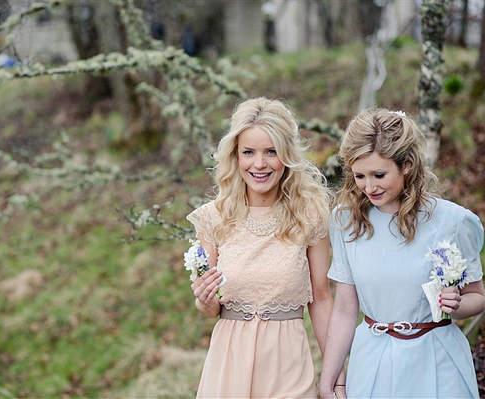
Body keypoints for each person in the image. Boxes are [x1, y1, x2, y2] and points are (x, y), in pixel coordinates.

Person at [319, 108, 485, 398]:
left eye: (379, 174)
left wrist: (456, 305)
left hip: (436, 360)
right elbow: (345, 308)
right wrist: (330, 377)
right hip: (372, 361)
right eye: (359, 176)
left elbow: (477, 297)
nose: (368, 187)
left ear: (406, 164)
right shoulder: (346, 221)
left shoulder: (453, 222)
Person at [187, 97, 345, 398]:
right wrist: (205, 301)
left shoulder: (309, 214)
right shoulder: (214, 218)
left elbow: (322, 300)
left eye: (271, 152)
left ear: (286, 155)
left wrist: (336, 377)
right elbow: (209, 307)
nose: (259, 164)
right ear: (236, 156)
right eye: (249, 152)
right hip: (228, 362)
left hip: (288, 365)